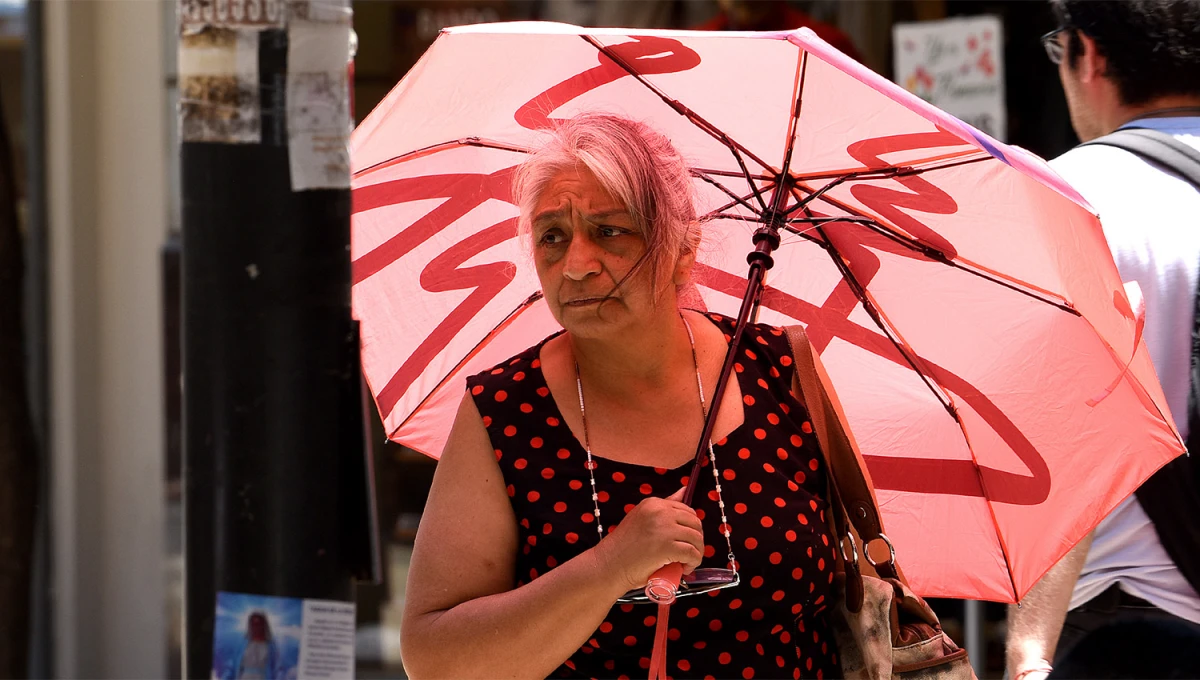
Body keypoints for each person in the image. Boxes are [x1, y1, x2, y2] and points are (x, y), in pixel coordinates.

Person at [400, 113, 843, 678]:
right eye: (552, 236)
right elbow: (433, 658)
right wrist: (611, 566)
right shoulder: (505, 411)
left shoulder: (781, 368)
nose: (577, 266)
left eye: (610, 231)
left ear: (684, 247)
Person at [1006, 3, 1200, 679]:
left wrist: (1028, 647)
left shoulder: (1065, 196)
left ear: (1087, 54)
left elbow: (1056, 427)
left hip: (1121, 612)